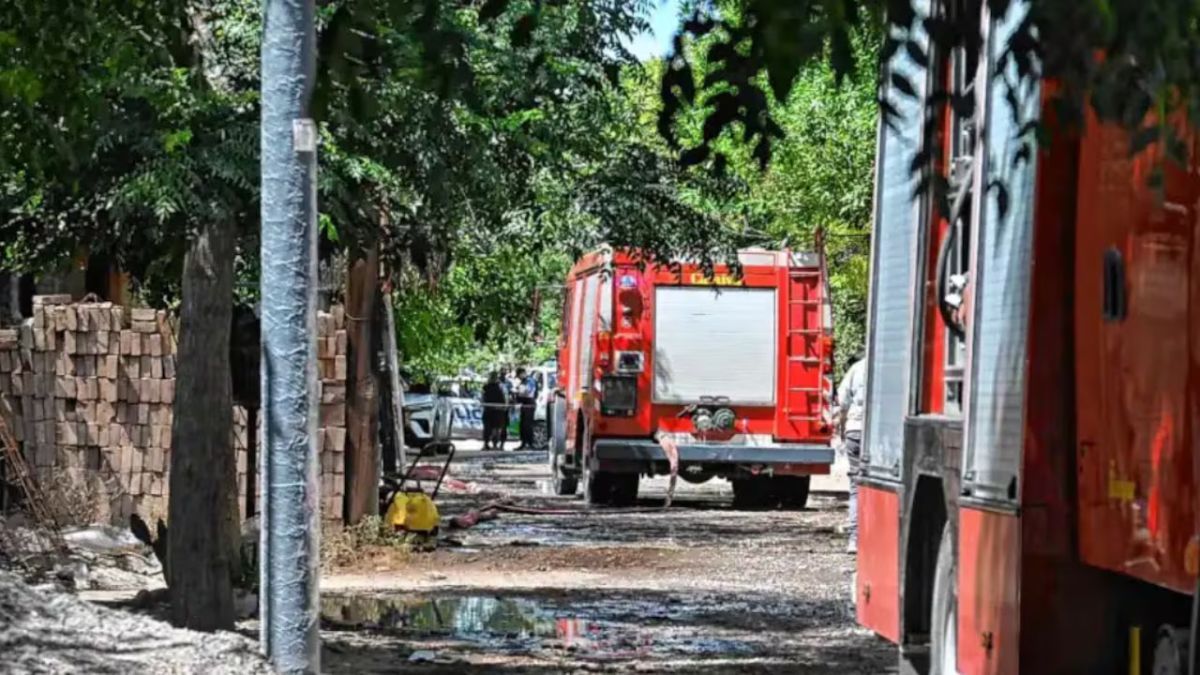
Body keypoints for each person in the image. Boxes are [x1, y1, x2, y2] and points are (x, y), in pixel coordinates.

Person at [835, 351, 867, 555]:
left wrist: (842, 429)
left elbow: (842, 401)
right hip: (881, 435)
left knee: (856, 487)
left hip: (855, 430)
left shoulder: (857, 369)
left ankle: (854, 540)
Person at [481, 372, 508, 450]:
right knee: (493, 428)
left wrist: (505, 406)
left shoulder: (498, 386)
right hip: (494, 409)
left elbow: (482, 397)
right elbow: (505, 396)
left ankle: (494, 444)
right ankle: (489, 444)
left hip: (495, 409)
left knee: (495, 428)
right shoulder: (487, 387)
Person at [514, 367, 538, 450]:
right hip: (524, 404)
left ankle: (530, 443)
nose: (519, 377)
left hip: (529, 403)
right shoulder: (522, 382)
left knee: (528, 425)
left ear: (523, 373)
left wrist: (518, 391)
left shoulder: (530, 381)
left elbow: (528, 392)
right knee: (523, 425)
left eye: (519, 375)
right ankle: (523, 443)